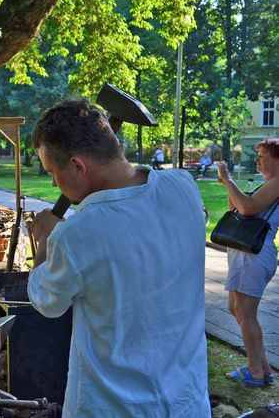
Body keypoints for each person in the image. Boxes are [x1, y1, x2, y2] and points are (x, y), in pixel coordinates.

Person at [27, 97, 210, 417]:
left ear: (78, 166)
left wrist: (46, 239)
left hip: (111, 408)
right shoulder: (183, 186)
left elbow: (46, 301)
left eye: (53, 172)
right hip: (187, 402)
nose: (54, 183)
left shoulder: (74, 235)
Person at [215, 139, 279, 387]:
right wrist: (227, 184)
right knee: (236, 308)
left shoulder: (277, 183)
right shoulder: (268, 184)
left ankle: (256, 371)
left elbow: (249, 208)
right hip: (245, 254)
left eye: (261, 155)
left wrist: (229, 179)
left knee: (246, 313)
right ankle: (262, 365)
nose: (257, 160)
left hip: (254, 255)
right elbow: (238, 210)